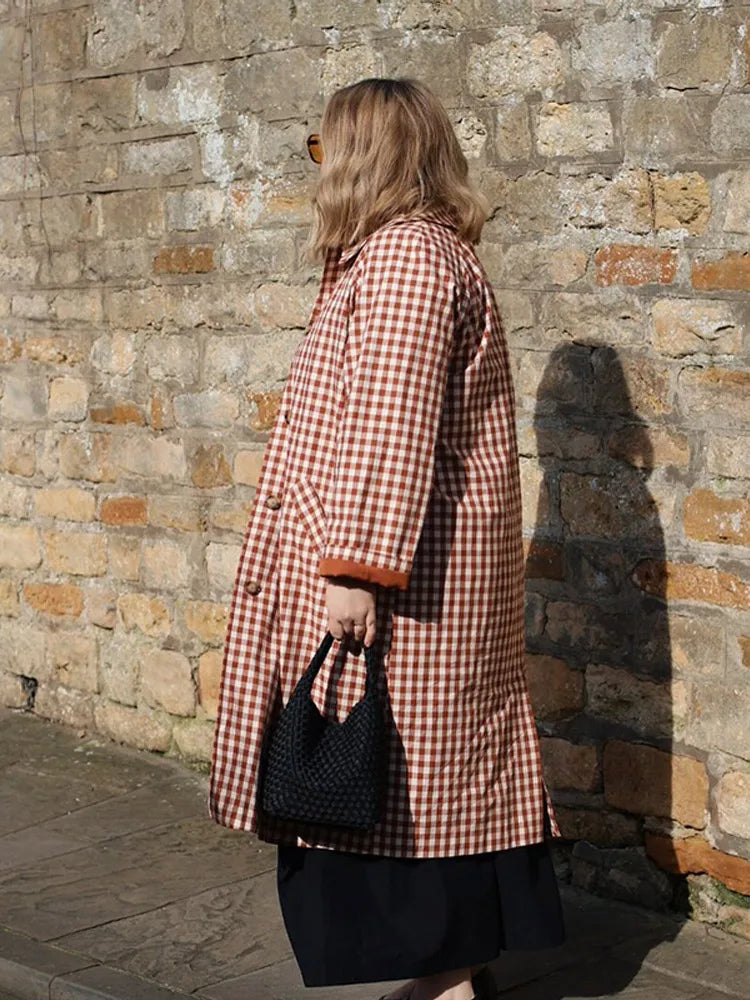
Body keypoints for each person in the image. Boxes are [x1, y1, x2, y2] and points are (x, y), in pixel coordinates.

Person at [208, 77, 566, 1000]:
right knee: (426, 784)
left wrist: (357, 569)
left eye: (323, 152)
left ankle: (447, 982)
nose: (316, 172)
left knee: (398, 782)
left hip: (403, 583)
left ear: (365, 157)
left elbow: (390, 424)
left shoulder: (406, 260)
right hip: (421, 571)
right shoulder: (398, 257)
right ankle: (452, 970)